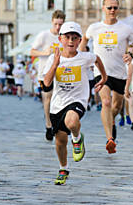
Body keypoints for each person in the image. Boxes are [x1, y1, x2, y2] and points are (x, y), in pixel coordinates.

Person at [43, 21, 106, 185]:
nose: (71, 41)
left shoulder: (85, 57)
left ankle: (77, 139)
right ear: (60, 39)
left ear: (79, 41)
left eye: (74, 38)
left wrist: (104, 78)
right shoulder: (53, 58)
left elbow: (97, 59)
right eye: (67, 37)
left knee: (71, 121)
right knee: (60, 141)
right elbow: (47, 83)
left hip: (78, 100)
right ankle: (63, 168)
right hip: (58, 104)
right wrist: (55, 65)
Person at [79, 0, 133, 154]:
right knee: (105, 102)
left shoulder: (125, 29)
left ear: (118, 9)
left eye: (115, 7)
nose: (112, 10)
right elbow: (84, 39)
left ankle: (110, 121)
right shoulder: (94, 27)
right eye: (109, 7)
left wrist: (131, 54)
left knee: (117, 106)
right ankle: (109, 139)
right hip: (101, 71)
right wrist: (82, 55)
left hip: (119, 73)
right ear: (103, 8)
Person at [31, 10, 65, 141]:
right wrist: (44, 52)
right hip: (45, 72)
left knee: (61, 100)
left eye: (60, 24)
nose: (58, 27)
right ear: (52, 22)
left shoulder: (65, 36)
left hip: (62, 73)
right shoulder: (44, 35)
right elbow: (32, 51)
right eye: (56, 24)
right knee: (48, 99)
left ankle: (58, 123)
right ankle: (48, 125)